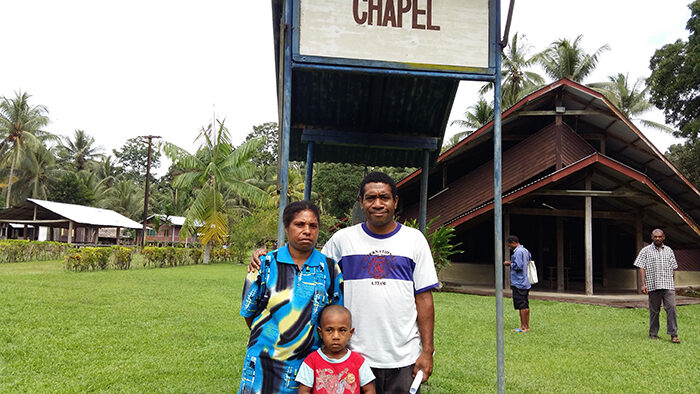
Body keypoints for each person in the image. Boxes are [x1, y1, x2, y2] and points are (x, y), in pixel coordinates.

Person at [251, 172, 438, 393]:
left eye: (384, 197)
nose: (377, 204)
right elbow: (310, 261)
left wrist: (427, 350)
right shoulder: (342, 240)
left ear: (395, 201)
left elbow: (424, 298)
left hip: (403, 357)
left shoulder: (414, 240)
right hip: (351, 357)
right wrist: (267, 256)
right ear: (361, 202)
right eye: (370, 198)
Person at [238, 201, 344, 394]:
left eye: (313, 226)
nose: (307, 231)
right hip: (263, 364)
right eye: (300, 224)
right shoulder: (265, 265)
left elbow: (335, 318)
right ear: (286, 227)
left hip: (308, 368)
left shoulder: (330, 268)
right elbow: (249, 314)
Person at [296, 305, 376, 394]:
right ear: (320, 332)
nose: (336, 336)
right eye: (329, 330)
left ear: (350, 333)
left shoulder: (358, 361)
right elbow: (303, 391)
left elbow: (370, 390)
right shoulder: (311, 361)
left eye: (342, 330)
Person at [634, 228, 680, 343]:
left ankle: (673, 335)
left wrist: (674, 284)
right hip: (653, 285)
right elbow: (641, 267)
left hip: (668, 285)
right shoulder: (645, 250)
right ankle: (653, 334)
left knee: (672, 308)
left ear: (663, 237)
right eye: (655, 237)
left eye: (660, 237)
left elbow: (673, 267)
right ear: (652, 237)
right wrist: (643, 284)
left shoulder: (669, 250)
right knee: (654, 311)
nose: (658, 238)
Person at [503, 235, 531, 333]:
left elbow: (518, 266)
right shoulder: (526, 251)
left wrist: (509, 264)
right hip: (525, 282)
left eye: (509, 245)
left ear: (514, 242)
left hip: (519, 282)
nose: (509, 247)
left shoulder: (518, 252)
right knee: (526, 304)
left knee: (521, 305)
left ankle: (523, 327)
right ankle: (527, 326)